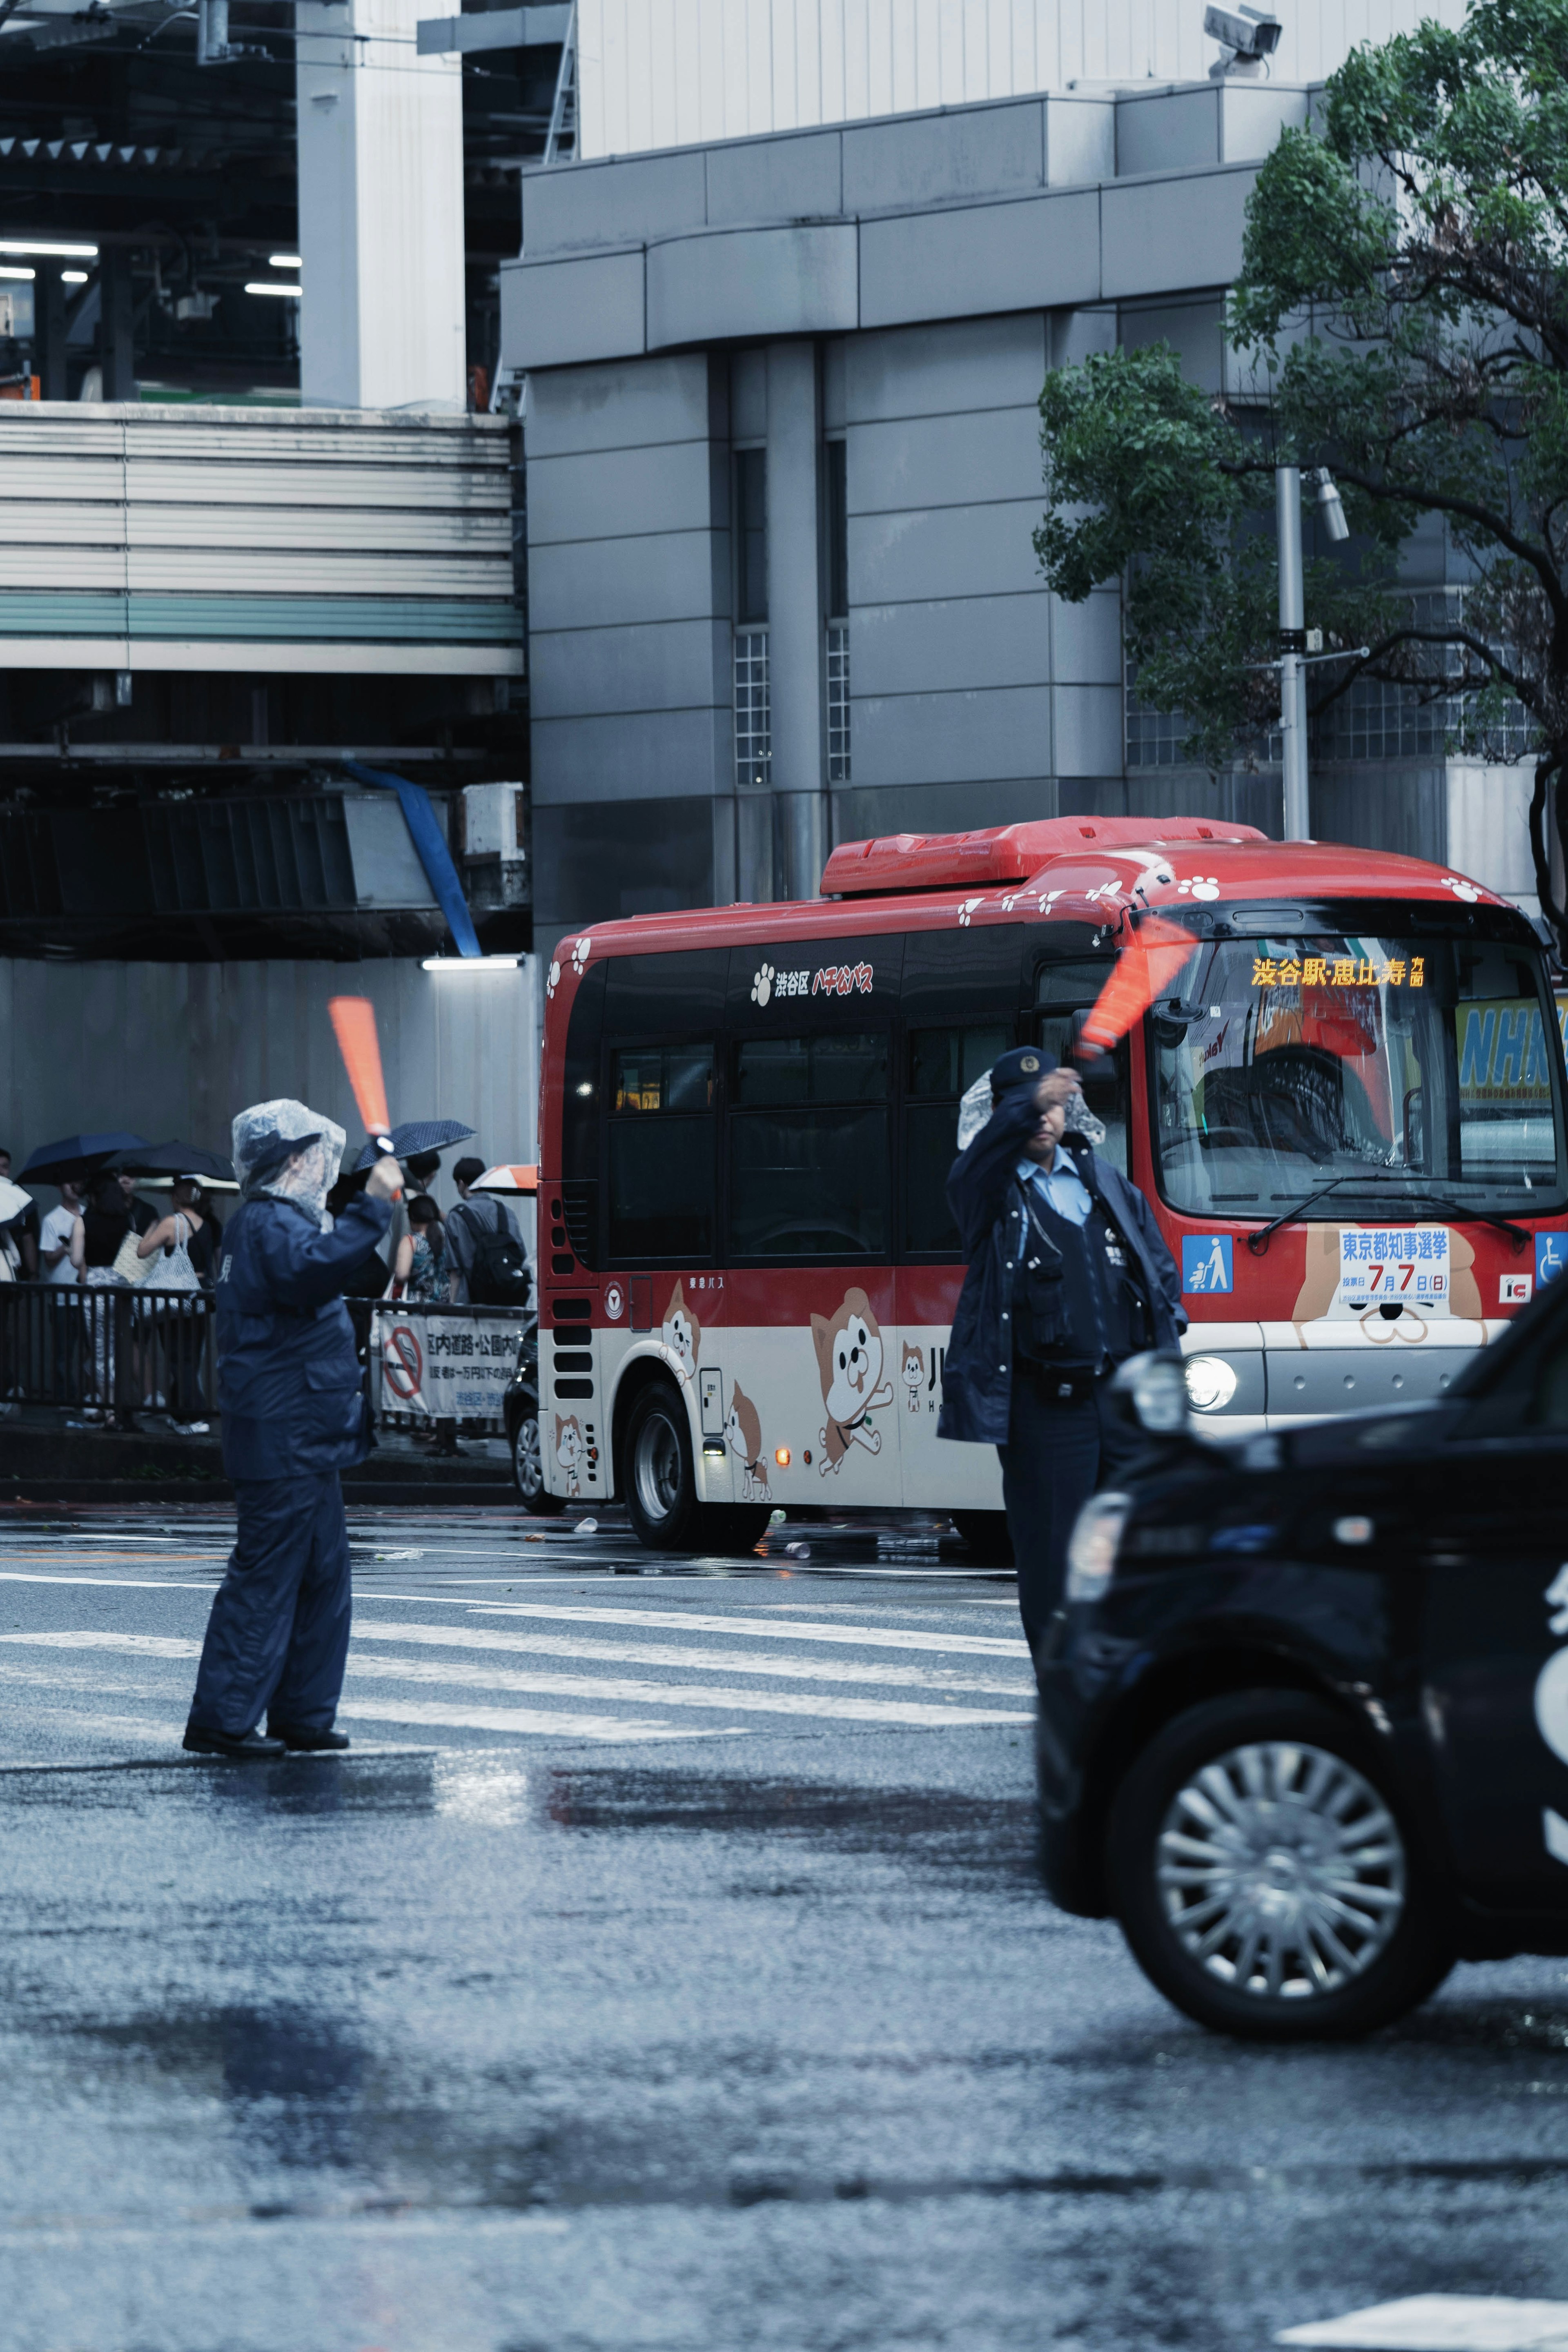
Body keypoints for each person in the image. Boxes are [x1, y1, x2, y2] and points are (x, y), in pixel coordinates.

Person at [939, 1051, 1183, 1652]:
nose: (1043, 1118)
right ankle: (1068, 1707)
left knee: (1135, 1557)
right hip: (1048, 1411)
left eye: (1052, 1105)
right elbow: (973, 1170)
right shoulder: (988, 1195)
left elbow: (1157, 1274)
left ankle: (1125, 1697)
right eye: (1026, 1106)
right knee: (1055, 1566)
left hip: (1121, 1404)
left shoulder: (1103, 1183)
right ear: (1000, 1115)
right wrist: (1026, 1102)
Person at [182, 1099, 400, 1761]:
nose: (318, 1169)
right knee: (271, 1576)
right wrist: (372, 1205)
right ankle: (225, 1719)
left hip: (300, 1433)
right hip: (287, 1433)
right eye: (311, 1158)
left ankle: (301, 1714)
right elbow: (312, 1274)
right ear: (288, 1163)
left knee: (321, 1574)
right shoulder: (269, 1224)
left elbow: (321, 1269)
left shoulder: (269, 1223)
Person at [137, 1177, 210, 1434]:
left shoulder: (172, 1223)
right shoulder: (206, 1225)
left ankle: (196, 1415)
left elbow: (142, 1251)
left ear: (175, 1198)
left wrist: (152, 1227)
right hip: (199, 1297)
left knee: (179, 1360)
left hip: (176, 1299)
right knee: (190, 1357)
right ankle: (179, 1414)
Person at [445, 1156, 529, 1307]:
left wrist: (452, 1304)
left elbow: (455, 1270)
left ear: (461, 1183)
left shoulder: (456, 1217)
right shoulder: (507, 1212)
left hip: (473, 1304)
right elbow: (521, 1256)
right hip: (510, 1300)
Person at [393, 1193, 447, 1301]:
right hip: (444, 1305)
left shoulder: (410, 1241)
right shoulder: (445, 1240)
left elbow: (402, 1275)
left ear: (412, 1218)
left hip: (418, 1307)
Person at [0, 1148, 39, 1278]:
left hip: (17, 1273)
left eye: (4, 1167)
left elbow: (27, 1238)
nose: (1, 1171)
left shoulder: (19, 1197)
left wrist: (33, 1274)